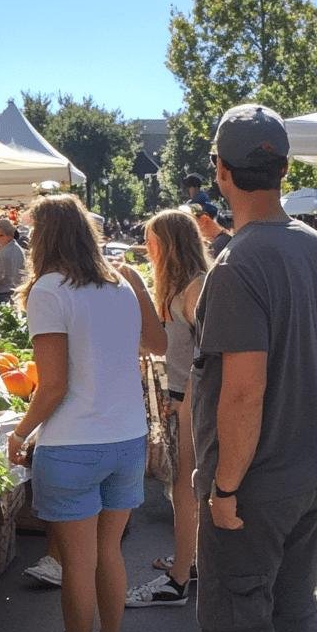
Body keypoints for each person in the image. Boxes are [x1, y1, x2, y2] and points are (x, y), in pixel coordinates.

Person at [175, 104, 317, 632]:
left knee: (235, 626)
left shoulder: (239, 265)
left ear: (221, 172)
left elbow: (243, 394)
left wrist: (224, 489)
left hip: (255, 487)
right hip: (309, 473)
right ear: (283, 168)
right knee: (295, 615)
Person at [7, 194, 150, 632]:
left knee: (77, 560)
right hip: (129, 436)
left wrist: (21, 433)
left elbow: (53, 385)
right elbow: (149, 344)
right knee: (109, 551)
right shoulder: (122, 284)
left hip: (74, 443)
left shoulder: (49, 290)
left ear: (43, 237)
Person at [127, 209, 210, 609]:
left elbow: (205, 355)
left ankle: (178, 581)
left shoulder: (195, 288)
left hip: (190, 401)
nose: (147, 247)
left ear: (170, 244)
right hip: (179, 397)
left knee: (185, 487)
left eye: (151, 239)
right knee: (182, 486)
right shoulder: (181, 287)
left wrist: (183, 400)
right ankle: (188, 560)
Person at [0, 217, 28, 304]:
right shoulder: (18, 249)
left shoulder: (3, 253)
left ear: (4, 235)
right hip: (16, 294)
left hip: (2, 296)